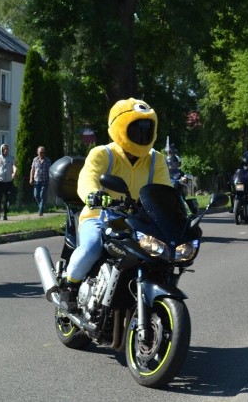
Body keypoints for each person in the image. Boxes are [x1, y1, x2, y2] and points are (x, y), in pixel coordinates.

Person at [60, 98, 171, 309]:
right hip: (100, 216)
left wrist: (177, 206)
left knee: (162, 255)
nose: (142, 134)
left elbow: (165, 189)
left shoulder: (156, 159)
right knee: (92, 246)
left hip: (138, 221)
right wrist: (93, 195)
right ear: (121, 126)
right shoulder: (103, 153)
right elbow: (88, 178)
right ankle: (69, 286)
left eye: (147, 129)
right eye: (137, 128)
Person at [0, 144, 16, 220]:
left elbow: (14, 166)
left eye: (7, 149)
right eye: (4, 149)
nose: (6, 151)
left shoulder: (11, 158)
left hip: (8, 182)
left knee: (7, 199)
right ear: (1, 150)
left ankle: (5, 214)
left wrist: (14, 172)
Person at [29, 145, 51, 216]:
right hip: (36, 180)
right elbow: (32, 169)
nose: (42, 154)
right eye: (41, 152)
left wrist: (50, 180)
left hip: (44, 180)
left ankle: (41, 210)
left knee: (42, 195)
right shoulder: (35, 160)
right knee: (36, 195)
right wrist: (31, 178)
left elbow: (49, 170)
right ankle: (41, 206)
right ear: (38, 152)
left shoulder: (47, 160)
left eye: (43, 152)